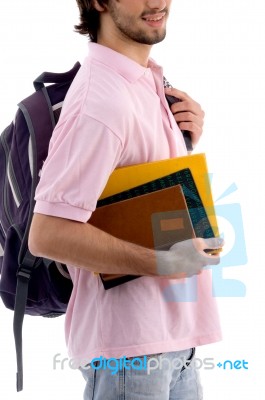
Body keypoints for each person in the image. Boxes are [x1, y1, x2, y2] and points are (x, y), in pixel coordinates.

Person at [28, 0, 223, 398]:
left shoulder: (143, 82)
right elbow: (46, 234)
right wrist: (161, 262)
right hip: (129, 355)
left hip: (174, 342)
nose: (158, 3)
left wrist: (182, 138)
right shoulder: (101, 101)